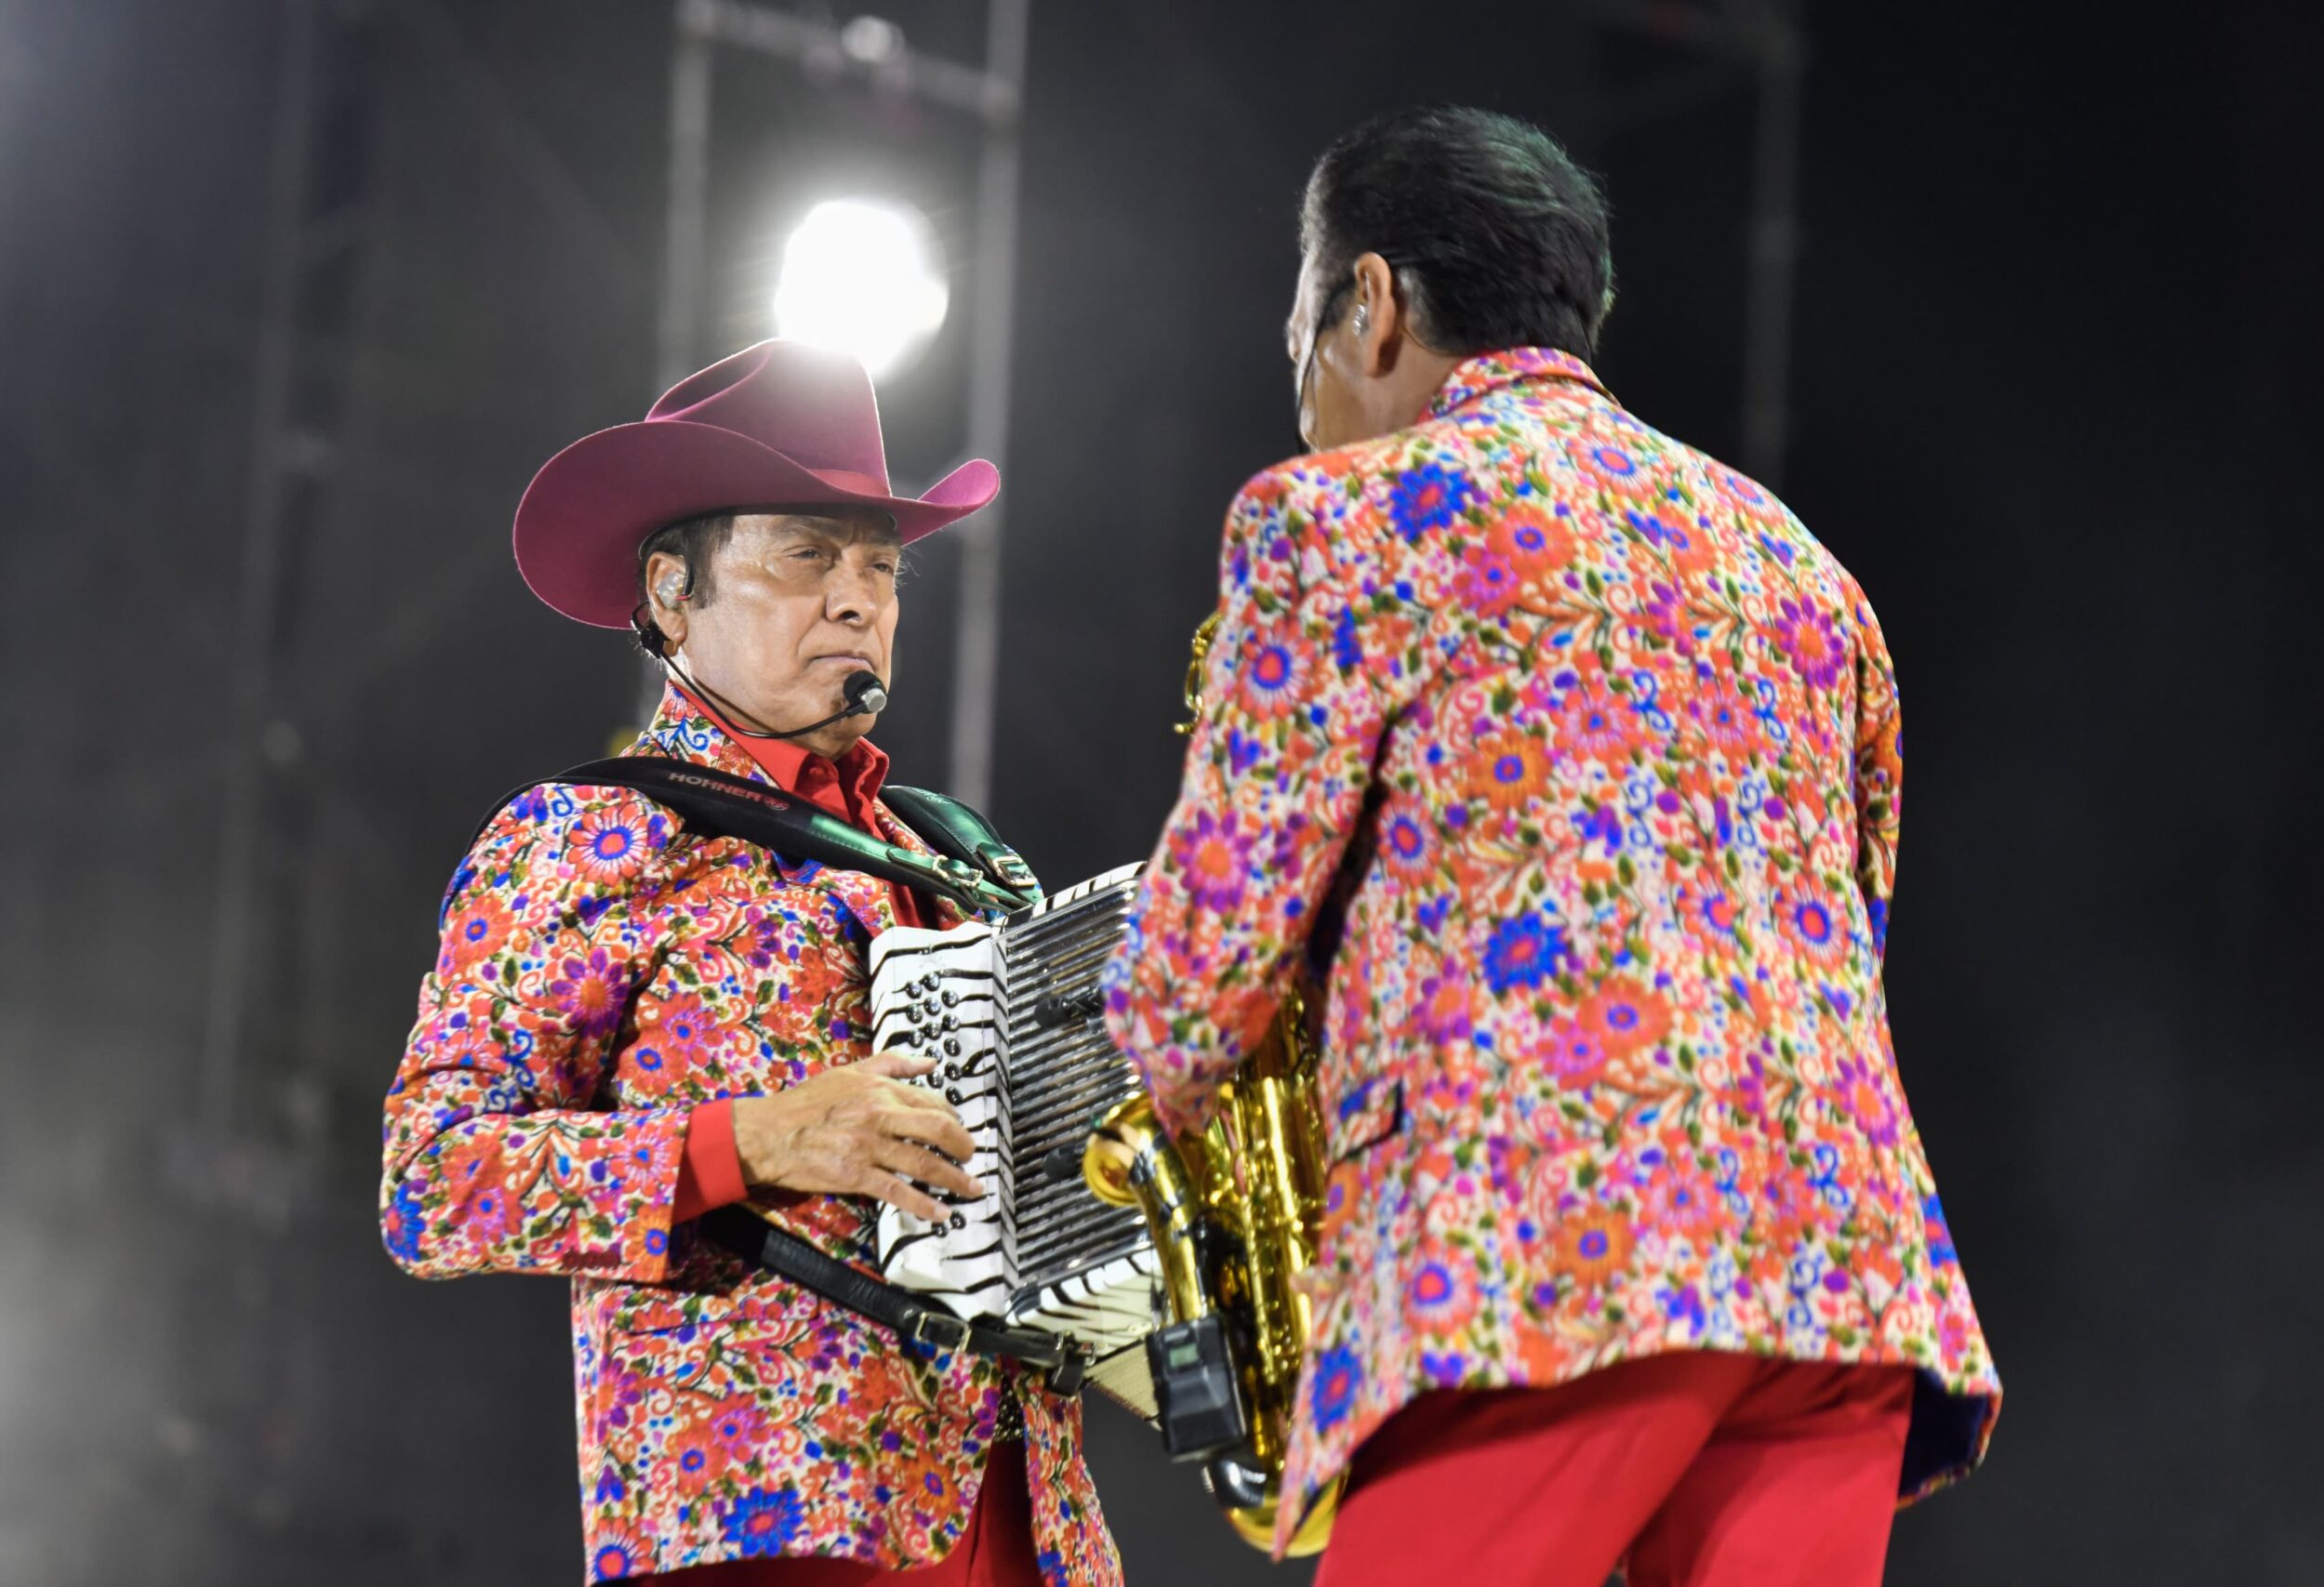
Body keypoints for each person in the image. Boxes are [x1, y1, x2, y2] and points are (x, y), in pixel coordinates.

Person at [1102, 106, 2000, 1586]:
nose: (1306, 409)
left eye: (1300, 347)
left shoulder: (1344, 516)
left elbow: (1196, 976)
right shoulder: (1802, 566)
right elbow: (1855, 920)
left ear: (1372, 304)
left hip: (1546, 1253)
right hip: (1841, 1273)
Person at [380, 340, 1118, 1587]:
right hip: (767, 1527)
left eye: (880, 567)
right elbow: (430, 1182)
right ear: (672, 593)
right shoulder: (581, 834)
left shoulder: (962, 857)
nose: (858, 600)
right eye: (807, 556)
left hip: (1030, 1530)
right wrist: (757, 1141)